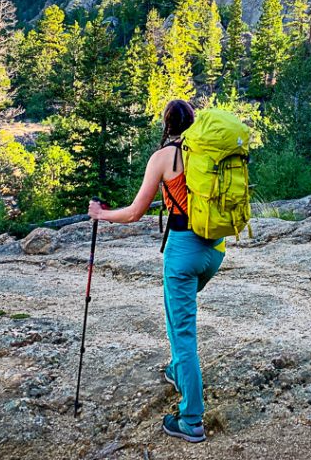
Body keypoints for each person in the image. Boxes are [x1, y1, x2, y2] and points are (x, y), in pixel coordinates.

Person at [88, 99, 224, 443]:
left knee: (183, 334)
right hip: (216, 250)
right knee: (178, 317)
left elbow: (135, 212)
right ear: (194, 122)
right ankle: (178, 371)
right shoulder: (208, 151)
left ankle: (192, 420)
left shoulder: (165, 157)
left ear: (167, 125)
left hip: (183, 252)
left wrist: (101, 215)